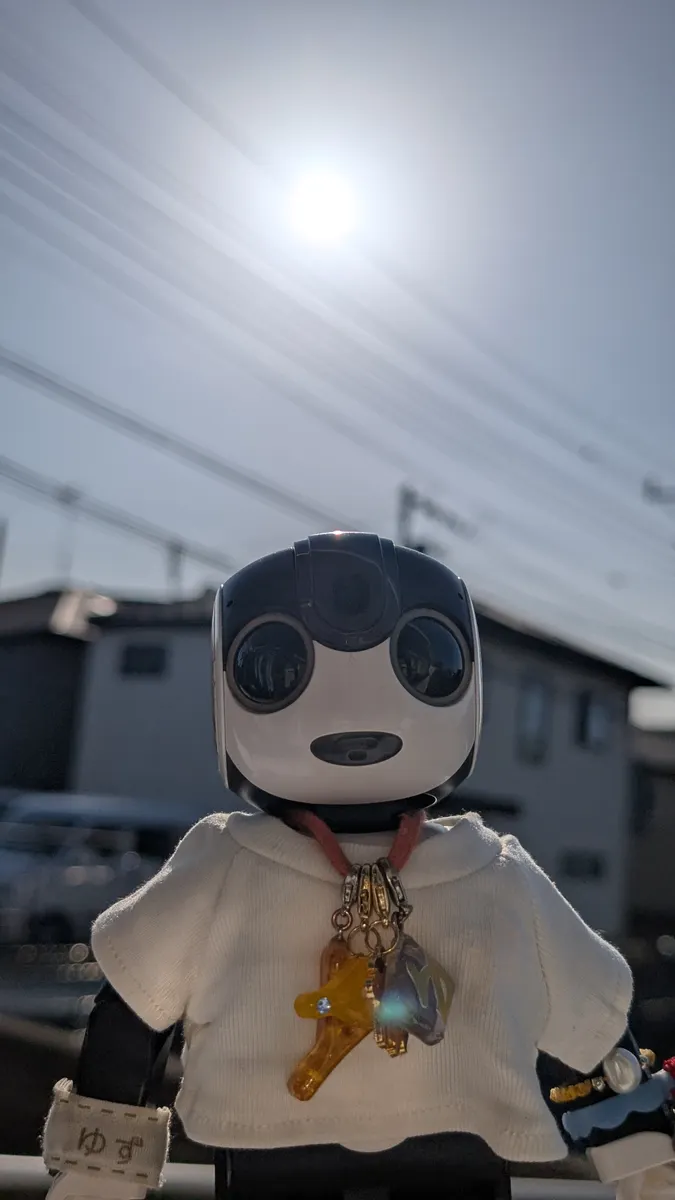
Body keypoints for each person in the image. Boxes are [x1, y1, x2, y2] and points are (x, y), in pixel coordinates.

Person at [42, 533, 675, 1199]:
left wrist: (98, 1168)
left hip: (336, 1149)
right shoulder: (492, 874)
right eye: (278, 666)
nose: (351, 701)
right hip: (345, 1151)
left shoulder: (487, 871)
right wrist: (640, 1152)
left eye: (420, 661)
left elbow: (133, 1010)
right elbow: (586, 1020)